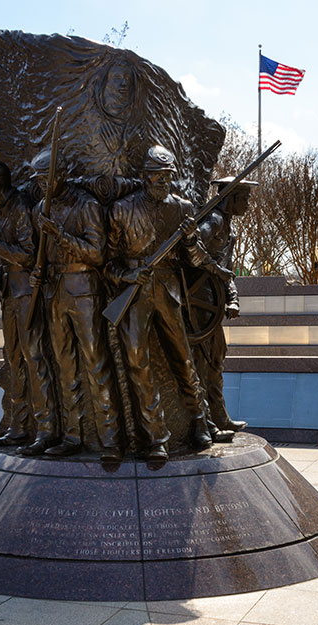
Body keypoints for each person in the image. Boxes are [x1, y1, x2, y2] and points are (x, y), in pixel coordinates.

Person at [106, 145, 221, 459]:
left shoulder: (182, 208)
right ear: (145, 176)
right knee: (136, 361)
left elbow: (195, 258)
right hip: (133, 296)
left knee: (183, 358)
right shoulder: (121, 209)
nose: (162, 181)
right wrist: (128, 277)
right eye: (157, 175)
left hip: (168, 291)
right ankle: (156, 435)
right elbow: (107, 263)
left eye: (168, 176)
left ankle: (200, 421)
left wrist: (191, 239)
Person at [21, 149, 123, 461]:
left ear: (62, 174)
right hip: (54, 294)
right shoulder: (41, 208)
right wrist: (40, 272)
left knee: (95, 363)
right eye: (38, 179)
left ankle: (110, 439)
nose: (42, 185)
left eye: (46, 178)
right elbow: (40, 253)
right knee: (65, 366)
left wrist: (60, 234)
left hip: (84, 292)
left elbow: (96, 254)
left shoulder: (87, 205)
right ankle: (72, 435)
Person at [0, 159, 60, 447]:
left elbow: (29, 255)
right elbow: (4, 262)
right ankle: (19, 425)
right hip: (10, 293)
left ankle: (46, 427)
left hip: (27, 294)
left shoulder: (21, 206)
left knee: (33, 358)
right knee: (14, 360)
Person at [192, 176, 256, 436]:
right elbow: (191, 249)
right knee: (202, 364)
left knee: (216, 360)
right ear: (231, 198)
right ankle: (206, 424)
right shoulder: (214, 221)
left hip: (213, 305)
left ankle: (219, 417)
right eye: (245, 199)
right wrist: (214, 269)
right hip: (199, 308)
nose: (248, 205)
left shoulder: (227, 226)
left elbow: (227, 272)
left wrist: (233, 298)